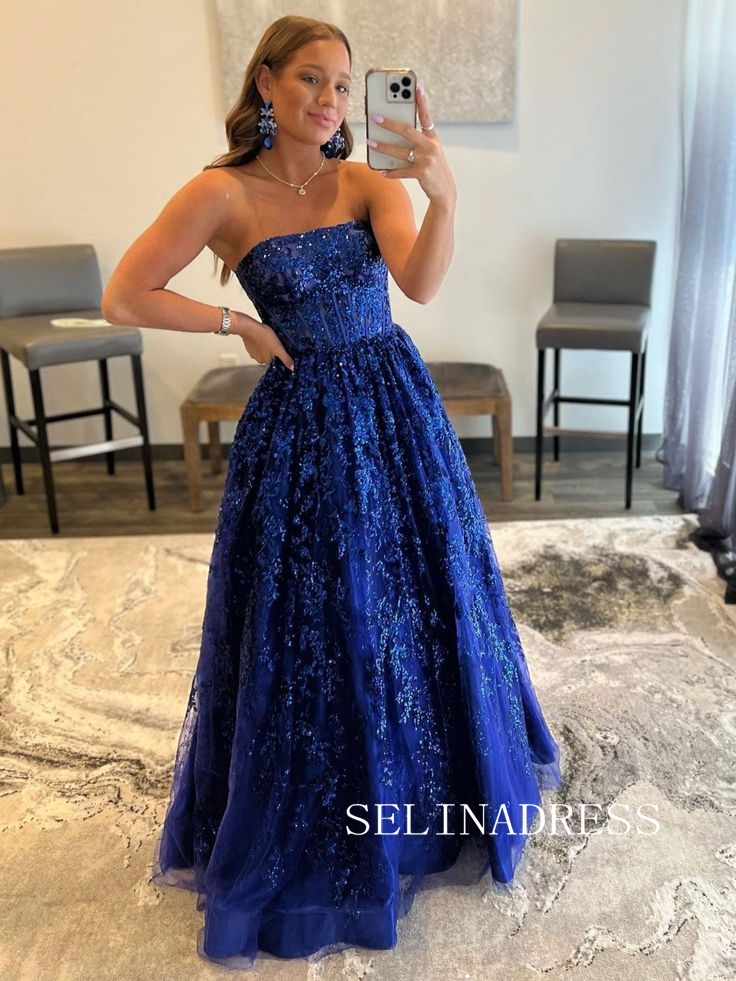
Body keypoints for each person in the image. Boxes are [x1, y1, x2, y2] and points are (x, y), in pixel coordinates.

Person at [102, 13, 563, 972]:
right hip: (299, 424)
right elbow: (126, 294)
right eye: (312, 77)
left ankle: (429, 784)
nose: (330, 98)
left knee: (420, 594)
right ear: (266, 82)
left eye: (344, 84)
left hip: (393, 408)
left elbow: (421, 285)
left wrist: (442, 197)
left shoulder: (366, 182)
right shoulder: (220, 192)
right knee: (308, 618)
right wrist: (235, 323)